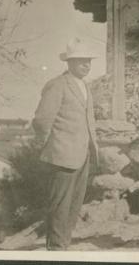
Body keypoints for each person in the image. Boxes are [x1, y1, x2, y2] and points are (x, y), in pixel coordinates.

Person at [32, 38, 98, 251]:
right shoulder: (58, 84)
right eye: (81, 61)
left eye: (88, 61)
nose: (86, 65)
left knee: (74, 205)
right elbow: (42, 120)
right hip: (62, 154)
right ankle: (56, 250)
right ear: (69, 63)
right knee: (60, 205)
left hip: (83, 154)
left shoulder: (85, 86)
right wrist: (49, 144)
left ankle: (64, 247)